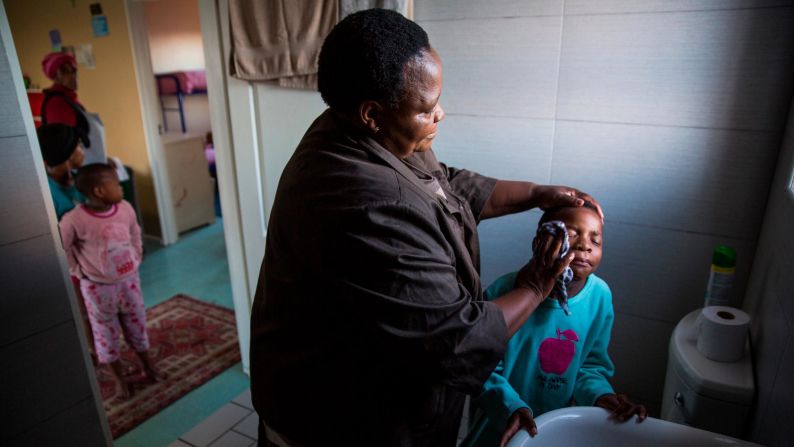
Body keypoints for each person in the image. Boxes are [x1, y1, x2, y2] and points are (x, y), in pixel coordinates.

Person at [249, 9, 603, 446]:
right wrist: (537, 283)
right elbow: (458, 339)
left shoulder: (360, 131)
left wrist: (535, 193)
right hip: (339, 426)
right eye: (426, 108)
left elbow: (444, 184)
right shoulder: (366, 205)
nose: (441, 114)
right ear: (373, 113)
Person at [463, 203, 647, 447]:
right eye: (571, 234)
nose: (585, 245)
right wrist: (511, 407)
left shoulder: (600, 297)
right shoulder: (505, 292)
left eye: (596, 240)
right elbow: (479, 365)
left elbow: (590, 367)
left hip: (554, 430)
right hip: (498, 426)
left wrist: (602, 396)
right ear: (540, 242)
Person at [59, 163, 164, 398]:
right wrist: (77, 270)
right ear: (99, 191)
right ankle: (119, 379)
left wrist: (136, 255)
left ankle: (147, 365)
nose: (121, 188)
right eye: (116, 184)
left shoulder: (125, 208)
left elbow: (135, 231)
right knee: (105, 335)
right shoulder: (74, 220)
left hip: (129, 282)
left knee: (137, 326)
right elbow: (61, 247)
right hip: (98, 289)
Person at [40, 51, 106, 165]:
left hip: (92, 162)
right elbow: (64, 149)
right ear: (56, 76)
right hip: (80, 168)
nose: (73, 75)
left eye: (74, 70)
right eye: (65, 71)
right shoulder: (57, 103)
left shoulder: (69, 99)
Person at [37, 123, 85, 220]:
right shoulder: (47, 197)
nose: (83, 150)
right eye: (79, 145)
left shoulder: (84, 178)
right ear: (69, 155)